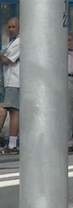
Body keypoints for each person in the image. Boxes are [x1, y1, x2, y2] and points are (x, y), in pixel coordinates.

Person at [0, 18, 20, 154]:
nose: (10, 29)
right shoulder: (10, 42)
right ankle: (11, 144)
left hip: (14, 81)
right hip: (8, 80)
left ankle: (12, 145)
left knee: (14, 112)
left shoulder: (20, 42)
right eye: (9, 27)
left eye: (13, 27)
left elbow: (8, 60)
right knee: (11, 111)